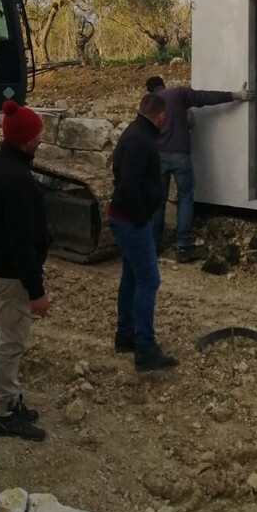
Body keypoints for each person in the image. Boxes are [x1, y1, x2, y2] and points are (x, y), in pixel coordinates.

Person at [0, 98, 50, 440]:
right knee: (11, 342)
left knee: (10, 338)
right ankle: (4, 412)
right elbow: (21, 242)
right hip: (11, 275)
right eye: (36, 136)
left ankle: (11, 400)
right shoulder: (18, 179)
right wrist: (36, 292)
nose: (39, 140)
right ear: (23, 139)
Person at [107, 91, 179, 372]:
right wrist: (140, 218)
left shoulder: (133, 133)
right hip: (131, 221)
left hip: (125, 218)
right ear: (160, 116)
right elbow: (127, 186)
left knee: (132, 277)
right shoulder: (141, 141)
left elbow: (119, 174)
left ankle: (125, 335)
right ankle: (145, 349)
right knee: (149, 280)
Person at [144, 75, 252, 262]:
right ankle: (183, 247)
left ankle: (153, 247)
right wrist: (236, 95)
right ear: (164, 84)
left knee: (158, 200)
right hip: (181, 155)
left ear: (150, 91)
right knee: (185, 198)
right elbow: (205, 97)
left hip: (158, 157)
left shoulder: (149, 104)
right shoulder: (178, 93)